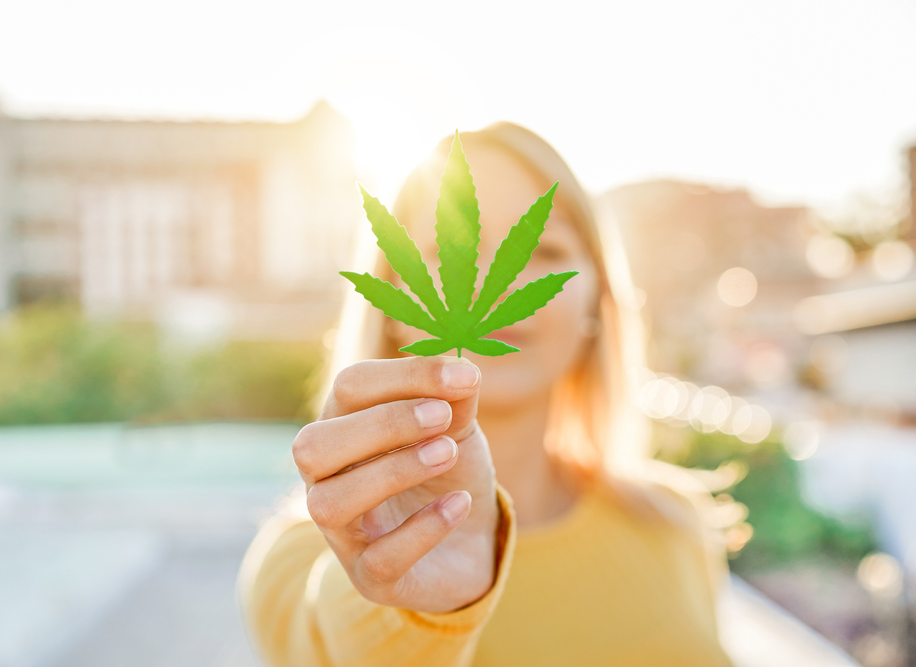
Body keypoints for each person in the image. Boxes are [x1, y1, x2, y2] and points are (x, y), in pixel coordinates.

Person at [237, 123, 734, 666]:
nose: (495, 275)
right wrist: (415, 600)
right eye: (447, 245)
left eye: (542, 246)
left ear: (598, 298)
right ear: (389, 298)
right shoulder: (304, 560)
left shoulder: (673, 523)